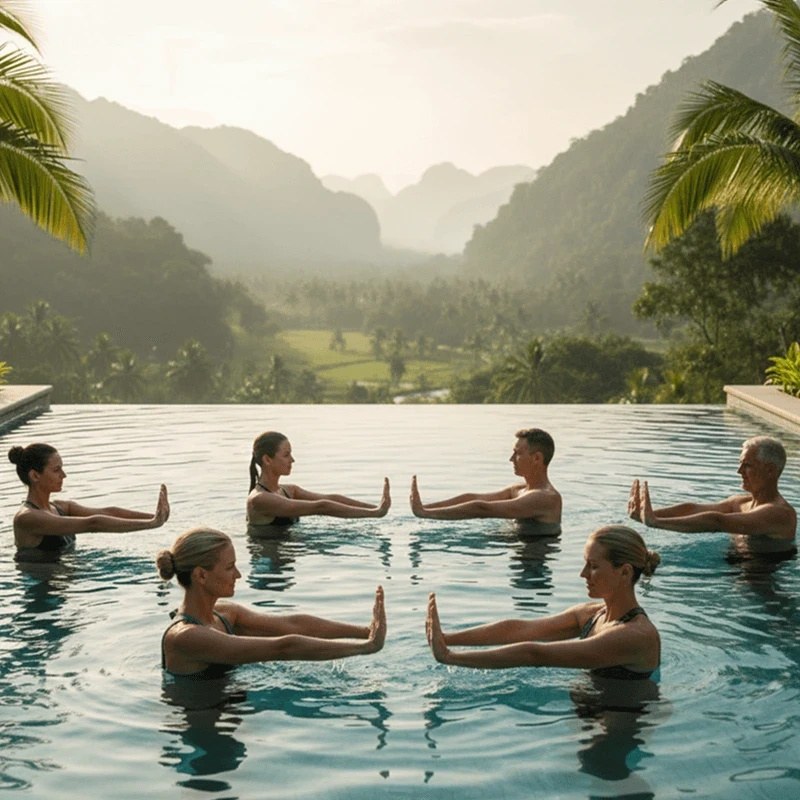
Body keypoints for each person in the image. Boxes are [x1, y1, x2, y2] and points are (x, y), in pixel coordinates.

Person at [426, 525, 660, 678]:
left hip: (620, 731)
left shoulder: (636, 636)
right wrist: (446, 638)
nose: (583, 574)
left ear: (625, 572)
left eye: (594, 566)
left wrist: (449, 657)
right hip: (589, 716)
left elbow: (535, 655)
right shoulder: (592, 614)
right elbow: (523, 629)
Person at [157, 527, 386, 678]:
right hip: (203, 737)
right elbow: (283, 647)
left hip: (230, 713)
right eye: (229, 567)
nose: (238, 575)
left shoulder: (223, 614)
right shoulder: (186, 637)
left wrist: (366, 631)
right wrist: (366, 647)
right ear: (201, 575)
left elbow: (294, 624)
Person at [628, 436, 797, 556]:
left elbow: (717, 522)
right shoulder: (741, 502)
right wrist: (648, 515)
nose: (739, 471)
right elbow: (692, 508)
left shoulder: (780, 513)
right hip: (735, 571)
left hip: (764, 585)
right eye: (740, 464)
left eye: (748, 465)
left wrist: (657, 523)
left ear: (770, 471)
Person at [9, 443, 169, 560]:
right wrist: (152, 524)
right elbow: (93, 524)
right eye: (56, 470)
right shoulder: (26, 518)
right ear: (35, 476)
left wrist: (156, 516)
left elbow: (108, 512)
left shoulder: (60, 507)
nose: (63, 475)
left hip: (65, 584)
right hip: (41, 594)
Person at [410, 428, 561, 528]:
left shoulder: (546, 497)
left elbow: (481, 508)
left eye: (518, 453)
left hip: (534, 567)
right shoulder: (519, 489)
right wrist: (425, 507)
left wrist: (425, 514)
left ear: (536, 458)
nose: (511, 459)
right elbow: (471, 497)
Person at [246, 431, 390, 528]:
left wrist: (377, 507)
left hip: (287, 557)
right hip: (267, 566)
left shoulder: (288, 490)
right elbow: (321, 507)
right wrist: (376, 513)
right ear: (267, 459)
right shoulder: (259, 499)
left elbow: (331, 498)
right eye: (286, 455)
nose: (292, 460)